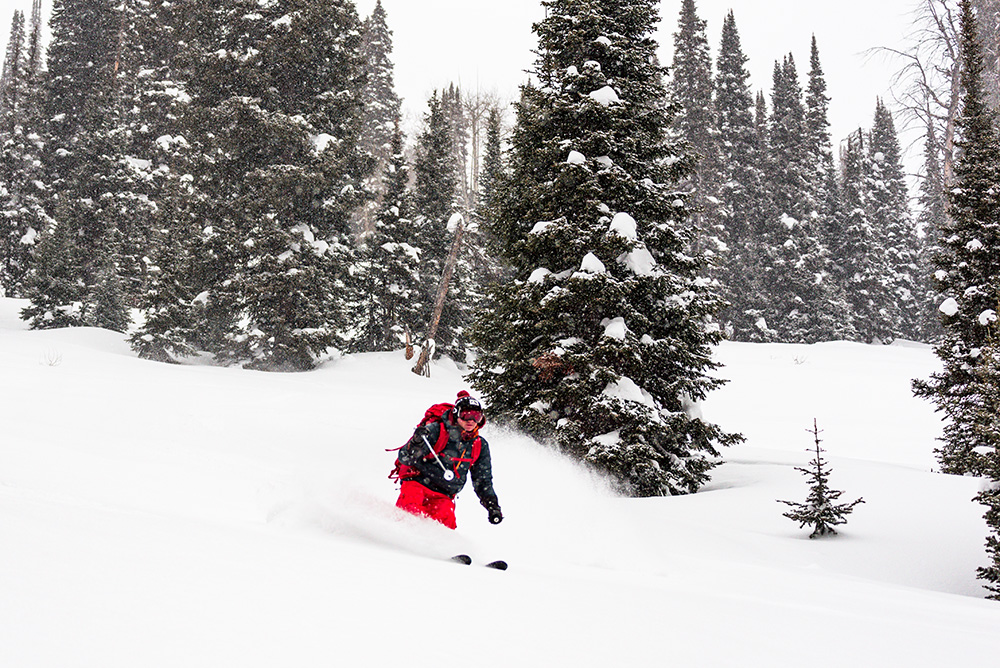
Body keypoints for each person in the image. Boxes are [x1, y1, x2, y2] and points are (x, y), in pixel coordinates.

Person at [395, 391, 503, 530]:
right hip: (417, 483)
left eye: (476, 416)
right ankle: (398, 537)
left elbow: (483, 480)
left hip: (443, 494)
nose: (471, 421)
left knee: (446, 522)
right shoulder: (436, 430)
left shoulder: (479, 445)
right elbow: (404, 457)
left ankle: (442, 549)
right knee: (410, 509)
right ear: (457, 414)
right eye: (466, 415)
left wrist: (492, 505)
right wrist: (416, 443)